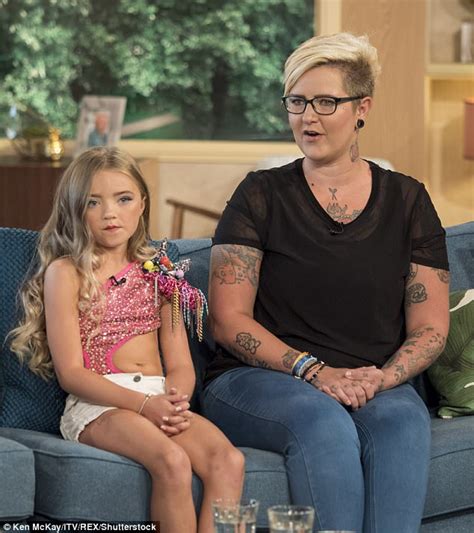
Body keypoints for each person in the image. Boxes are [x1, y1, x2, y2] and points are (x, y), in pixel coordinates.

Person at [201, 32, 450, 533]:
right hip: (262, 380)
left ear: (362, 108)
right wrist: (315, 371)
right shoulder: (259, 194)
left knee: (403, 422)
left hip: (375, 380)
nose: (307, 117)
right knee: (323, 422)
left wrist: (381, 379)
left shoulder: (409, 201)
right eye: (296, 102)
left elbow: (430, 328)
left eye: (325, 102)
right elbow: (228, 322)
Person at [9, 147, 244, 533]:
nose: (110, 213)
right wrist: (144, 406)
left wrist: (174, 401)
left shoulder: (160, 272)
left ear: (142, 204)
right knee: (172, 461)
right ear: (74, 209)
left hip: (159, 398)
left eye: (123, 199)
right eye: (93, 202)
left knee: (229, 461)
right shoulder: (66, 273)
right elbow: (71, 374)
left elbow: (180, 364)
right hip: (100, 405)